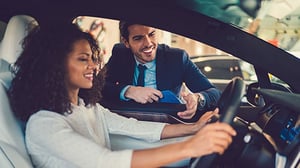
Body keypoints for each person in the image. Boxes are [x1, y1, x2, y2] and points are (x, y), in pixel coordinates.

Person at [9, 23, 236, 168]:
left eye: (92, 58)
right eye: (82, 59)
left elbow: (132, 126)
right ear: (54, 65)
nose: (94, 66)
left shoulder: (85, 107)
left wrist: (192, 128)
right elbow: (105, 161)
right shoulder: (44, 124)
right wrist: (192, 147)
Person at [102, 21, 221, 120]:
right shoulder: (120, 54)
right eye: (138, 38)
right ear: (126, 42)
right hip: (126, 122)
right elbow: (98, 86)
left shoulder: (177, 58)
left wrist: (198, 98)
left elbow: (214, 93)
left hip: (167, 123)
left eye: (152, 34)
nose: (148, 43)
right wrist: (128, 91)